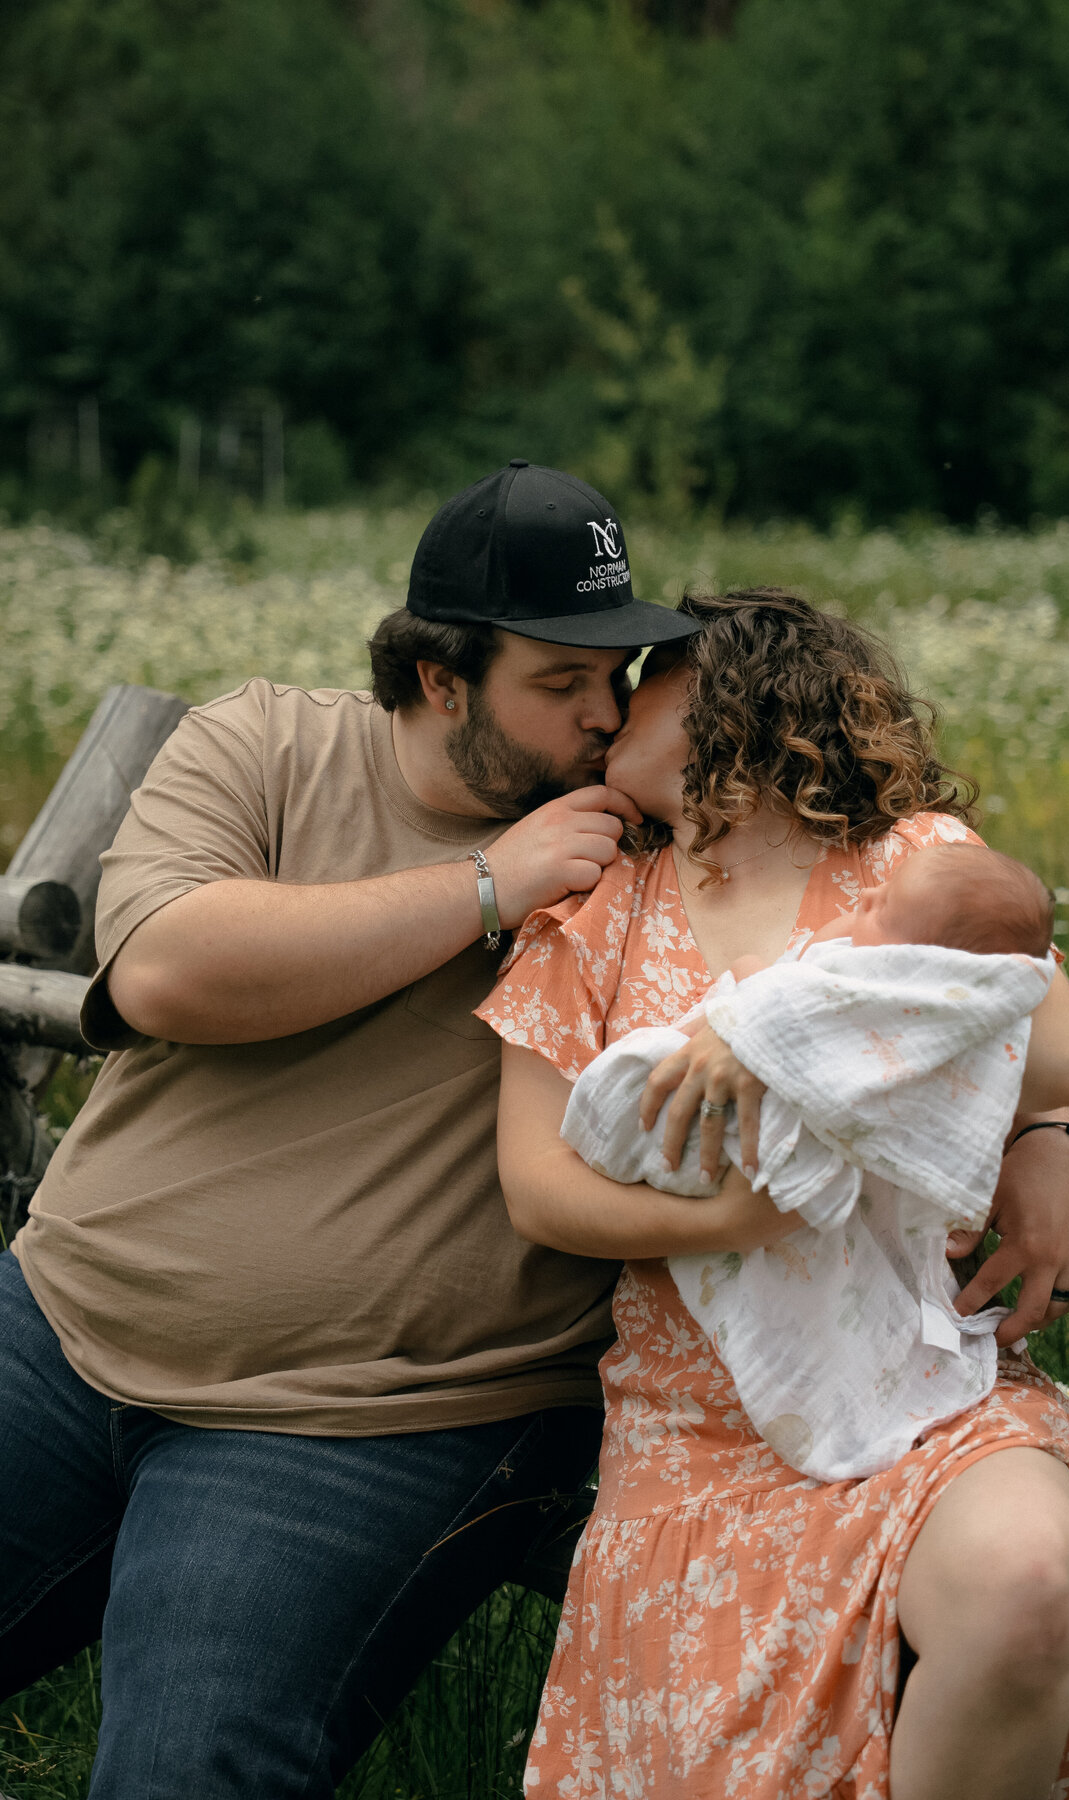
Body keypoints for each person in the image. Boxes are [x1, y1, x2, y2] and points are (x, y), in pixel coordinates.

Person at [0, 461, 705, 1799]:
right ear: (442, 680)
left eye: (616, 678)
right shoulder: (262, 744)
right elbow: (164, 972)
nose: (606, 720)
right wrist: (488, 888)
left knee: (187, 1775)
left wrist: (1045, 1133)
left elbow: (931, 914)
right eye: (560, 685)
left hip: (359, 1420)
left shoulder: (651, 839)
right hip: (61, 1327)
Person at [478, 590, 1069, 1800]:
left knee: (1026, 1580)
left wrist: (1043, 1133)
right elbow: (540, 1188)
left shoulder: (918, 862)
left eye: (649, 677)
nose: (618, 702)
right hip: (698, 1424)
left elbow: (1050, 1053)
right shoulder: (591, 921)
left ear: (731, 694)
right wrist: (738, 1218)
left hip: (916, 1377)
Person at [557, 843, 1069, 1484]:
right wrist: (750, 1013)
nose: (867, 902)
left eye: (886, 912)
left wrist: (752, 1005)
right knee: (661, 1079)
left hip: (773, 1160)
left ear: (920, 969)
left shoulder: (902, 993)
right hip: (721, 1211)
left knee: (671, 1091)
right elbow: (777, 989)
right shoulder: (844, 956)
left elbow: (1042, 1060)